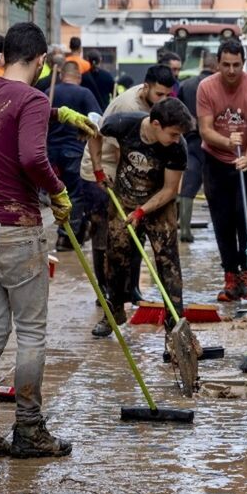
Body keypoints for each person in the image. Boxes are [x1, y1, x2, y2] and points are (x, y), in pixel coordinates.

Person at [0, 22, 85, 460]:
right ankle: (29, 429)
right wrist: (58, 190)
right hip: (15, 229)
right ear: (39, 61)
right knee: (30, 331)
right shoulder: (32, 96)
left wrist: (58, 114)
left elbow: (4, 121)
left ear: (4, 56)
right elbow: (32, 155)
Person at [88, 98, 190, 337]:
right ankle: (114, 313)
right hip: (124, 197)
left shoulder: (178, 147)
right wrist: (98, 169)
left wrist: (142, 211)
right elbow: (92, 129)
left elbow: (170, 189)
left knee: (168, 263)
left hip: (158, 203)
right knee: (115, 256)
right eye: (173, 133)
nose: (176, 139)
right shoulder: (123, 123)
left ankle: (174, 326)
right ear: (155, 124)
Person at [80, 64, 177, 306]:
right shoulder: (129, 108)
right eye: (159, 95)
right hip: (104, 164)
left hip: (131, 167)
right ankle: (106, 294)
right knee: (106, 235)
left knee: (136, 231)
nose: (163, 101)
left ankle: (131, 289)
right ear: (146, 88)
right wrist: (99, 171)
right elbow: (98, 136)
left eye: (168, 95)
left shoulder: (160, 110)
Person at [197, 39, 247, 302]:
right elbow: (205, 129)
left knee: (246, 215)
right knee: (222, 218)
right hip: (216, 157)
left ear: (243, 64)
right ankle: (230, 275)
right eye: (226, 64)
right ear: (218, 63)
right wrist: (227, 142)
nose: (231, 70)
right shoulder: (206, 87)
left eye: (236, 65)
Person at [44, 61, 102, 251]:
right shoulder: (84, 93)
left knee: (57, 192)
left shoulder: (49, 92)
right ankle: (66, 237)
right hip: (74, 151)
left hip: (50, 153)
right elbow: (96, 120)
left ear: (62, 76)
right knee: (75, 194)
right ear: (78, 77)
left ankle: (70, 232)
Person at [176, 52, 218, 243]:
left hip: (192, 142)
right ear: (216, 66)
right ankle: (222, 233)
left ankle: (184, 229)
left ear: (202, 64)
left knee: (188, 186)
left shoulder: (186, 85)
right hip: (217, 142)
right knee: (219, 188)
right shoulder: (220, 85)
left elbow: (179, 111)